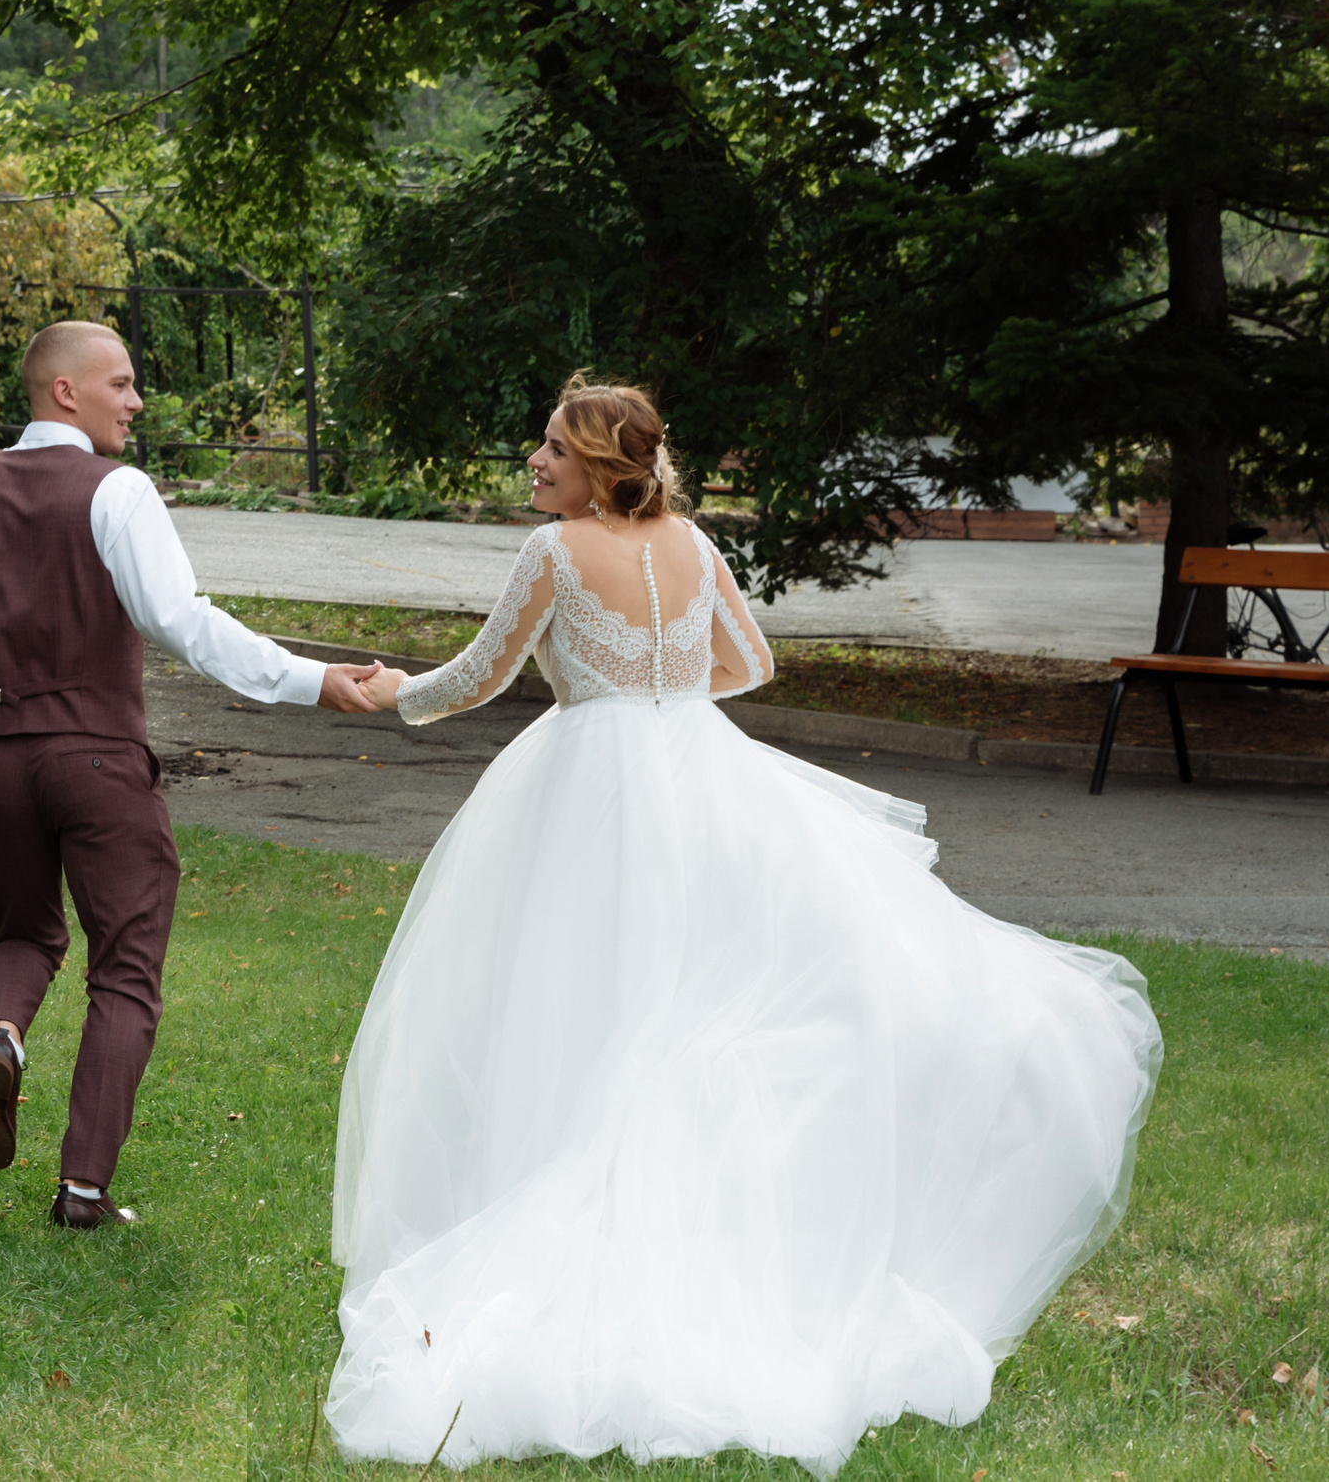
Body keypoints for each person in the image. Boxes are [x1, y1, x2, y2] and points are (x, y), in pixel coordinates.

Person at [328, 375, 1162, 1471]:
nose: (534, 462)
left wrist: (392, 692)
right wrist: (670, 699)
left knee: (580, 994)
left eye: (552, 449)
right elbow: (752, 663)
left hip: (592, 787)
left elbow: (479, 677)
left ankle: (575, 1203)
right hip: (702, 771)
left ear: (599, 466)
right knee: (695, 991)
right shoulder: (692, 540)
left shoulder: (552, 552)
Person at [0, 320, 387, 1230]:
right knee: (127, 969)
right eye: (123, 383)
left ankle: (3, 1036)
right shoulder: (118, 491)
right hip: (98, 761)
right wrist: (313, 681)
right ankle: (83, 1189)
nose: (136, 401)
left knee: (25, 934)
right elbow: (182, 620)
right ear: (65, 391)